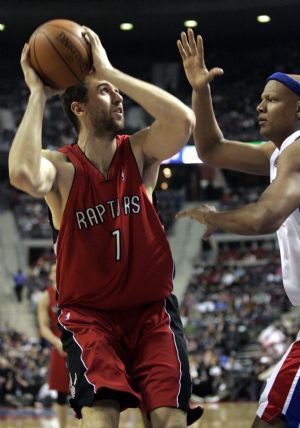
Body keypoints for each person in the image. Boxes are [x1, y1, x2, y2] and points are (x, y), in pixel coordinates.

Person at [9, 26, 202, 428]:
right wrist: (37, 95)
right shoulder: (62, 168)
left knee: (170, 420)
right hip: (90, 318)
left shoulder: (140, 151)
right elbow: (24, 173)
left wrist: (110, 72)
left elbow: (184, 120)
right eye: (104, 91)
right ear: (78, 107)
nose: (117, 95)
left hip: (152, 315)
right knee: (102, 418)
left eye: (115, 90)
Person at [177, 28, 300, 428]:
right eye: (260, 99)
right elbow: (212, 149)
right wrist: (199, 89)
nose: (259, 107)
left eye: (272, 100)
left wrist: (215, 218)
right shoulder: (279, 151)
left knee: (270, 420)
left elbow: (266, 215)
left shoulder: (298, 148)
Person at [37, 263, 69, 428]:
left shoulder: (75, 290)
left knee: (84, 391)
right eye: (53, 271)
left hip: (79, 344)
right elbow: (43, 327)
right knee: (61, 394)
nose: (57, 272)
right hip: (59, 346)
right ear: (49, 275)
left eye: (60, 269)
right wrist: (57, 342)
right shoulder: (46, 297)